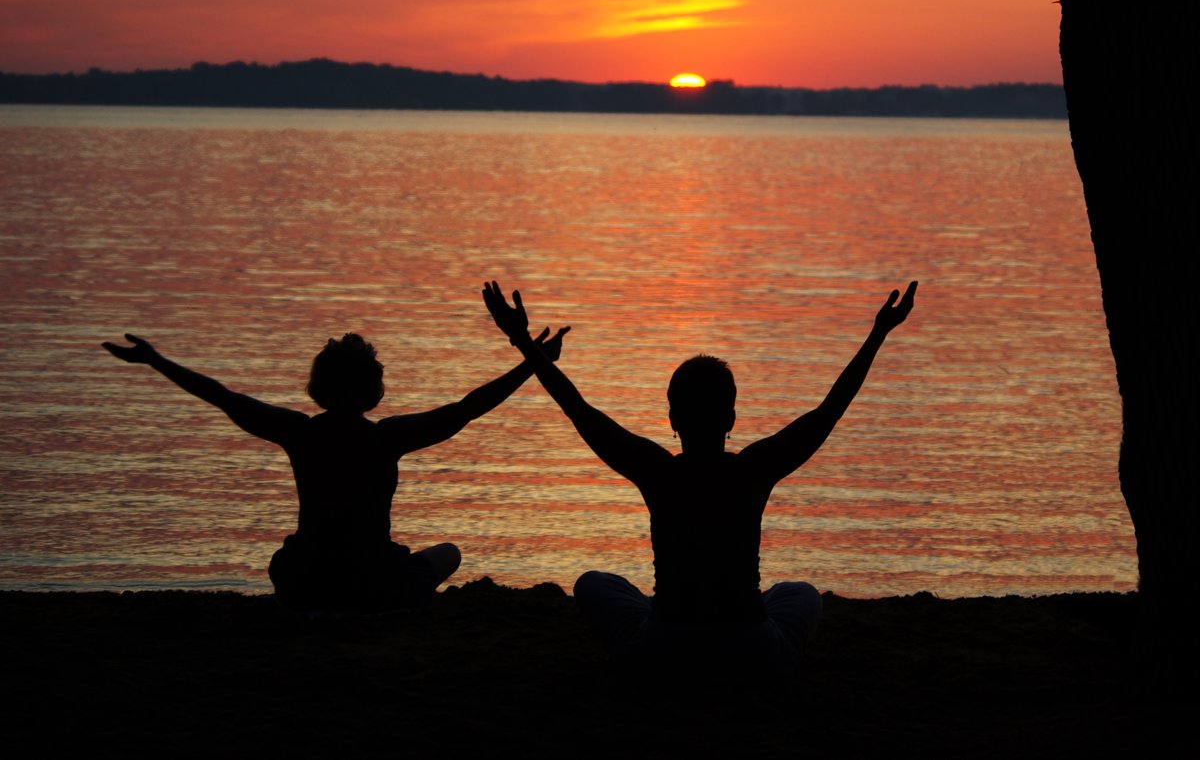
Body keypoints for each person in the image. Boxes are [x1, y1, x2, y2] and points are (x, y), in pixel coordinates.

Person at [482, 279, 916, 673]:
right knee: (799, 593)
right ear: (731, 418)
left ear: (672, 419)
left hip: (666, 648)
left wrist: (522, 340)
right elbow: (829, 411)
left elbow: (577, 408)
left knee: (593, 585)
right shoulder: (753, 469)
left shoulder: (657, 471)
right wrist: (878, 333)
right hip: (749, 649)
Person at [102, 322, 568, 612]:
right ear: (373, 391)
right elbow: (470, 406)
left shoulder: (300, 433)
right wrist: (534, 360)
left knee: (288, 564)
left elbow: (224, 397)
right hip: (375, 585)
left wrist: (156, 361)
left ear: (318, 387)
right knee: (447, 553)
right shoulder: (387, 437)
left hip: (306, 582)